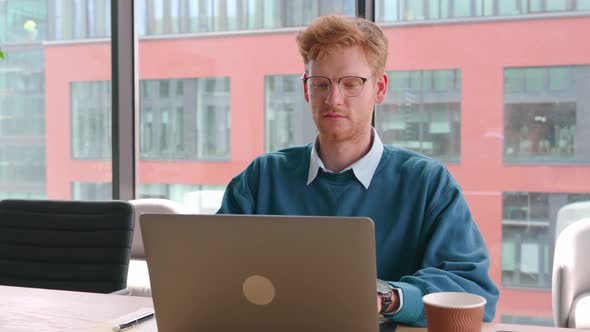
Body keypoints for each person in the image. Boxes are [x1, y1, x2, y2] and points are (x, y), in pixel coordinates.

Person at [217, 15, 498, 326]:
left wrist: (386, 298)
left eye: (351, 84)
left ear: (379, 88)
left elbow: (473, 292)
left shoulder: (428, 183)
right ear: (306, 90)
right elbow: (213, 275)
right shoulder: (262, 178)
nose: (333, 99)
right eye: (321, 84)